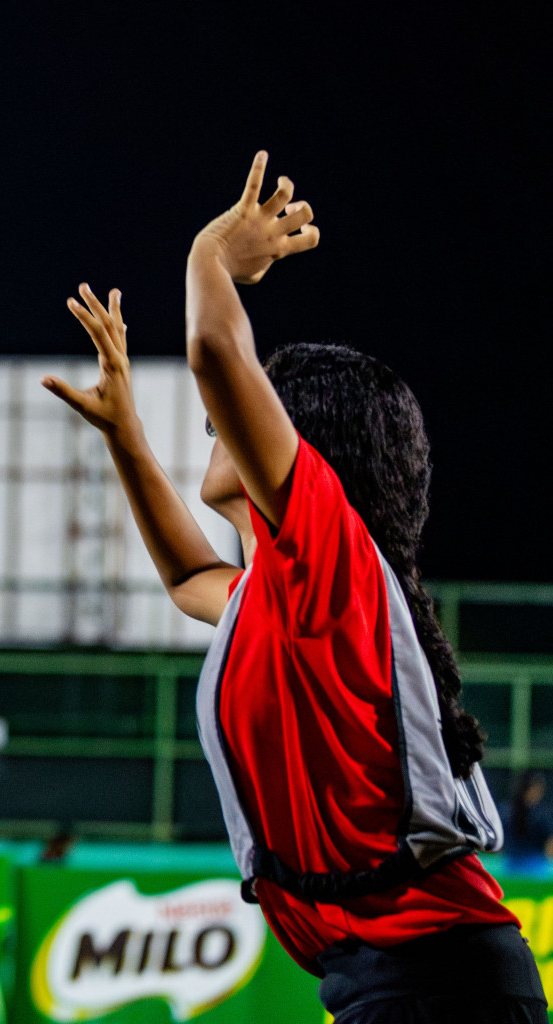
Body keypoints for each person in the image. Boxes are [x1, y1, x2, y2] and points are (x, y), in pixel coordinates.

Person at [42, 153, 544, 1023]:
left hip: (439, 986)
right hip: (386, 984)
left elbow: (211, 348)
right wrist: (126, 435)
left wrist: (211, 255)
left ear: (301, 442)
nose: (216, 422)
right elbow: (191, 575)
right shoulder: (280, 602)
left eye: (235, 411)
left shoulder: (332, 562)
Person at [503, 770, 553, 875]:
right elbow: (550, 847)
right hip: (537, 870)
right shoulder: (540, 815)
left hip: (510, 868)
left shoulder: (507, 812)